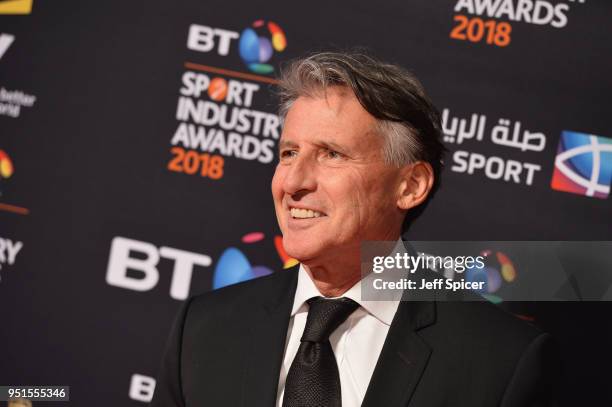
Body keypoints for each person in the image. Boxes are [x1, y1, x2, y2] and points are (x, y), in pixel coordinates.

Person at [150, 51, 558, 407]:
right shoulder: (204, 330)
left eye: (331, 154)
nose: (293, 183)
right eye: (289, 153)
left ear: (410, 186)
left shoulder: (498, 362)